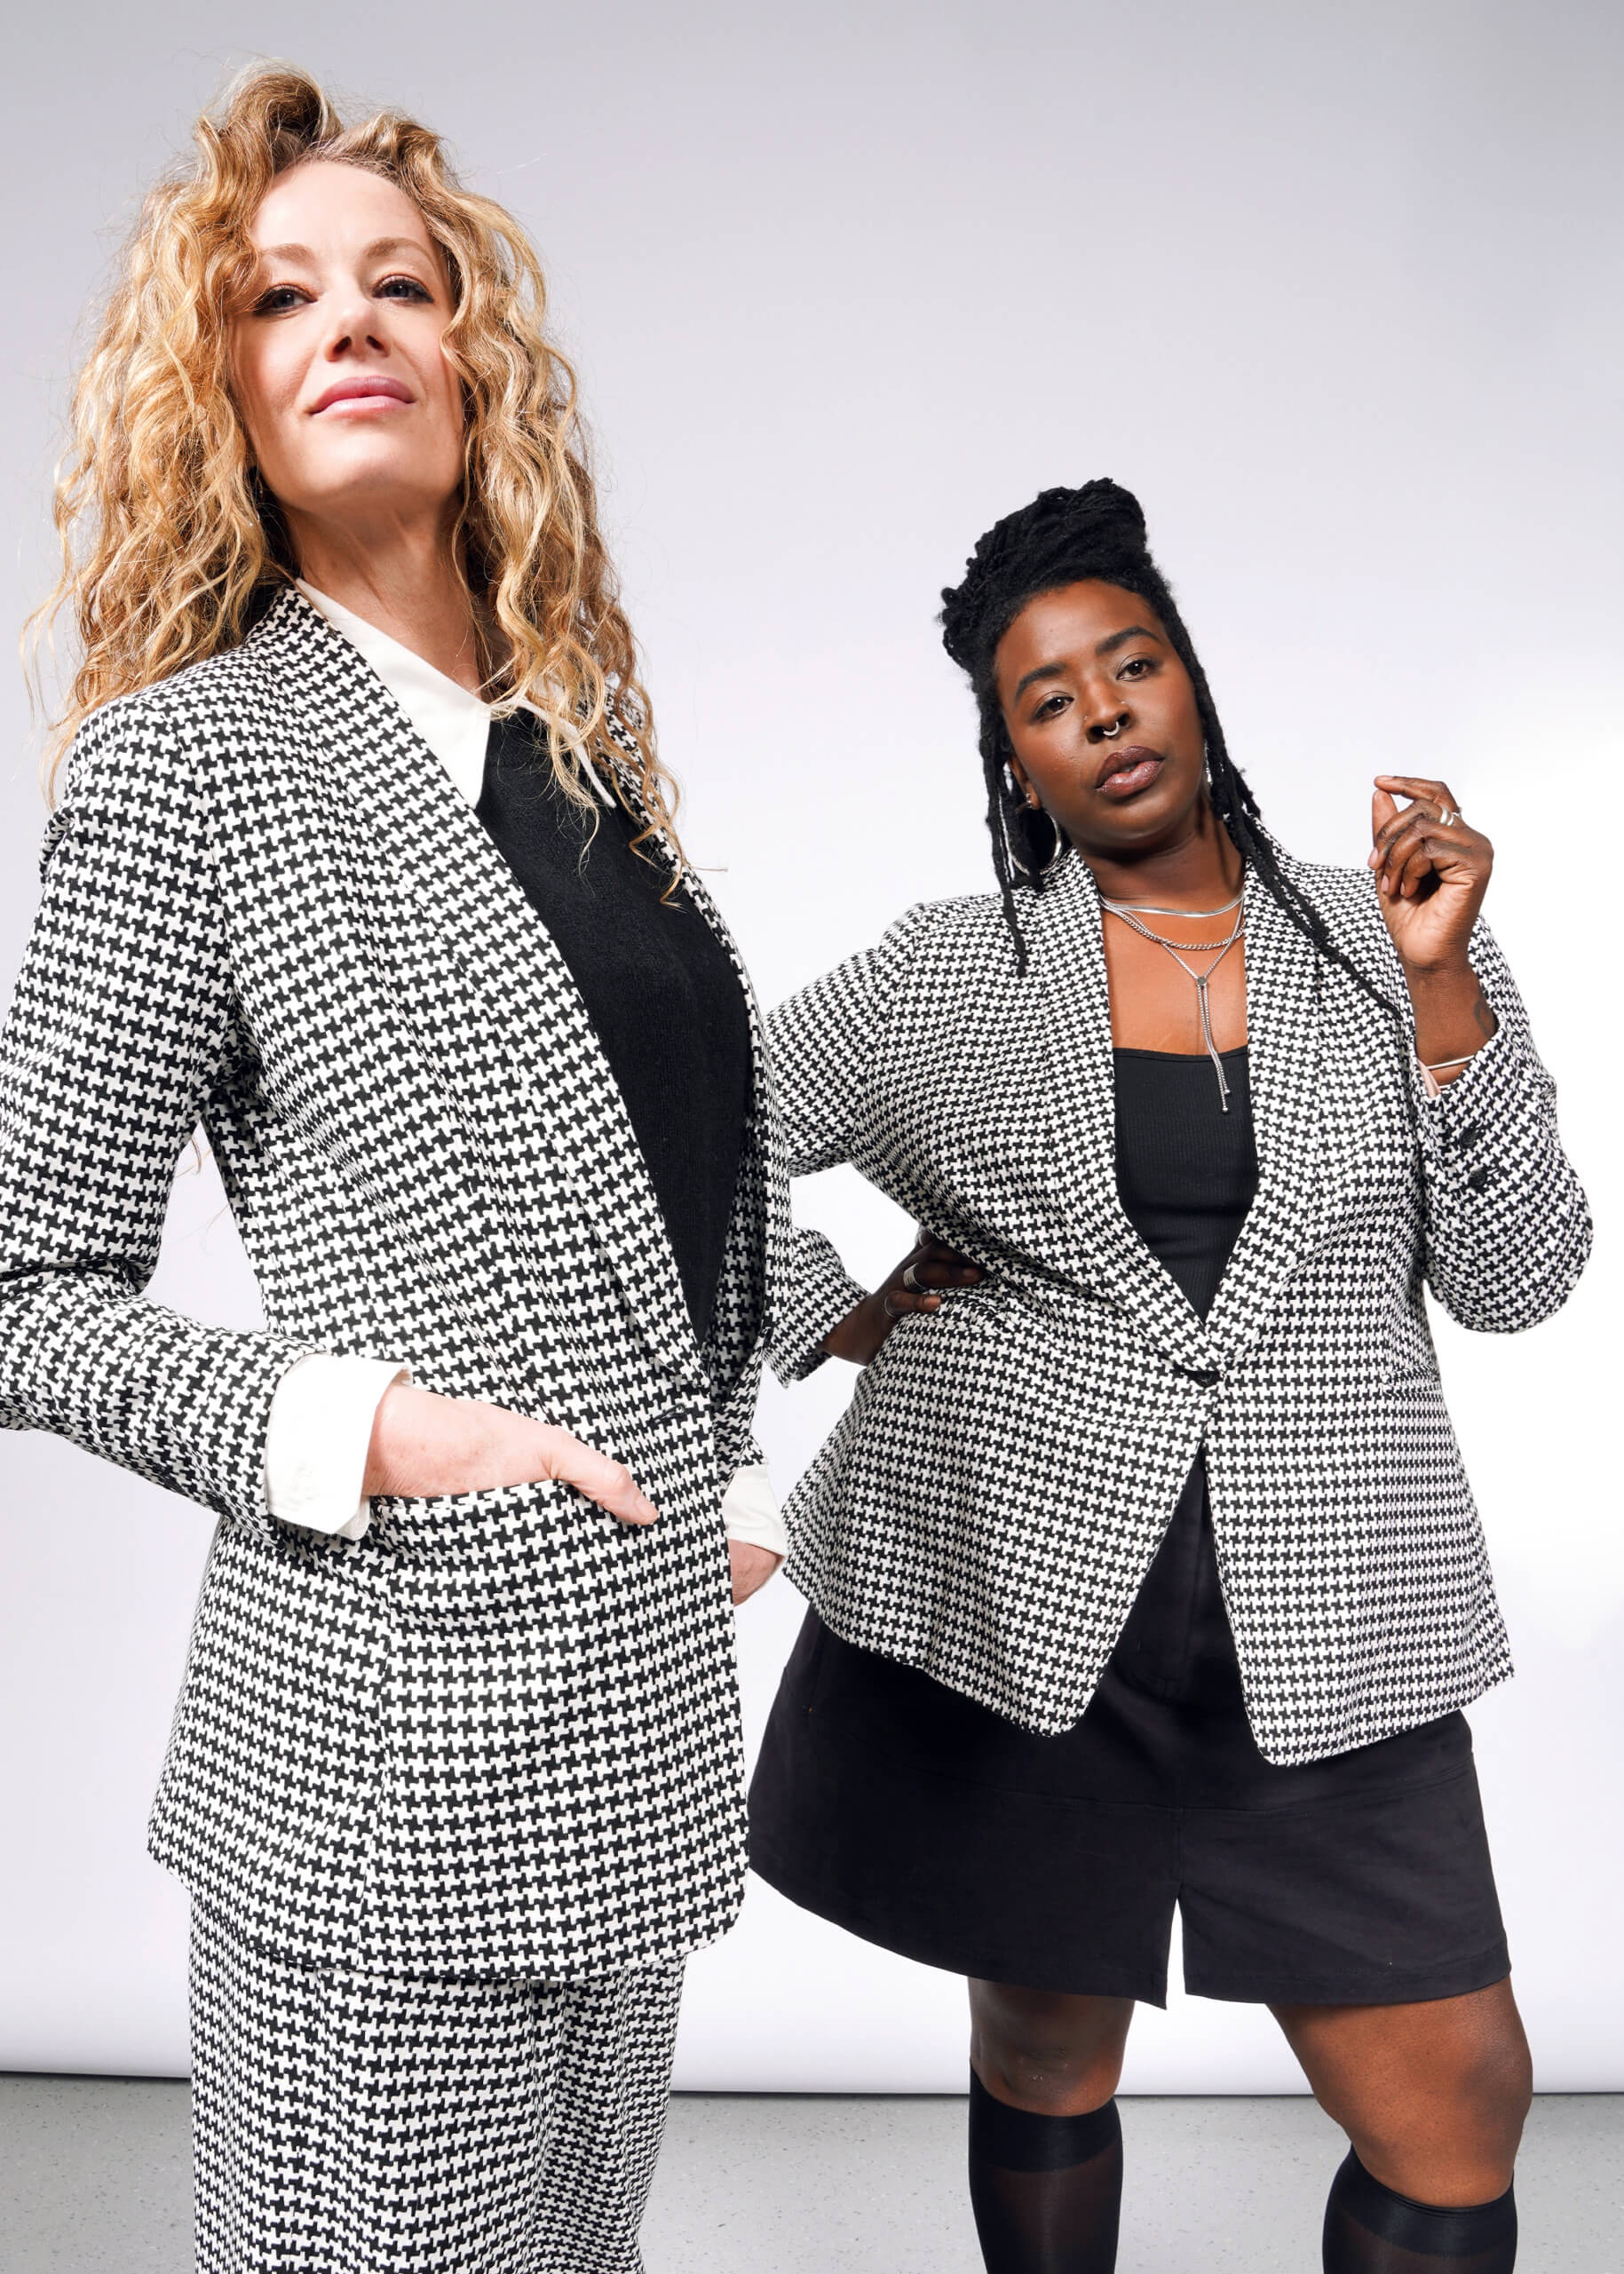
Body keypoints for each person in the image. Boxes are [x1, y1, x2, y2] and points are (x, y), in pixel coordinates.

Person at [0, 65, 787, 2274]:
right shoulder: (192, 766)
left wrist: (763, 1407)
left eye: (400, 283)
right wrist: (373, 1435)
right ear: (223, 393)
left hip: (628, 1722)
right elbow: (16, 1283)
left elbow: (650, 1190)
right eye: (279, 297)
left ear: (473, 360)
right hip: (381, 1759)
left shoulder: (581, 766)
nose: (348, 321)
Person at [749, 480, 1590, 2272]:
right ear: (1016, 762)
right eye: (1050, 699)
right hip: (1042, 1616)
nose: (1104, 711)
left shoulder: (1389, 933)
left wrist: (1446, 1001)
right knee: (1050, 2042)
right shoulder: (951, 975)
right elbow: (692, 1131)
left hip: (1335, 1618)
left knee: (1456, 2106)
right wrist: (841, 1312)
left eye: (1131, 665)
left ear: (1193, 685)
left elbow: (1520, 1278)